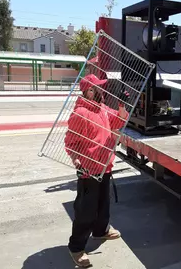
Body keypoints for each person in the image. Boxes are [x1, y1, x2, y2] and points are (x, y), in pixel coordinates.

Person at [64, 74, 129, 268]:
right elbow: (70, 141)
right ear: (87, 91)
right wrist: (76, 159)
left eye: (99, 88)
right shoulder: (80, 113)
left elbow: (119, 121)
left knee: (103, 203)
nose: (99, 91)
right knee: (86, 210)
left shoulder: (101, 108)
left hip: (105, 165)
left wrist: (122, 105)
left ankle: (101, 230)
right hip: (89, 169)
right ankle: (76, 247)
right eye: (95, 88)